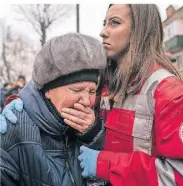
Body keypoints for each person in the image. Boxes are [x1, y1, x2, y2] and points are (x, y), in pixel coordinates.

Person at [1, 4, 183, 186]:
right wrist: (23, 104)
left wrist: (105, 164)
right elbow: (57, 80)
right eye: (104, 23)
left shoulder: (175, 98)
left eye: (114, 23)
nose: (103, 32)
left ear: (140, 30)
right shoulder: (106, 85)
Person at [0, 32, 107, 186]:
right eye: (77, 90)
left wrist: (95, 138)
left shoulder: (96, 127)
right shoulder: (13, 127)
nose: (87, 101)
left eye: (92, 92)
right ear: (48, 90)